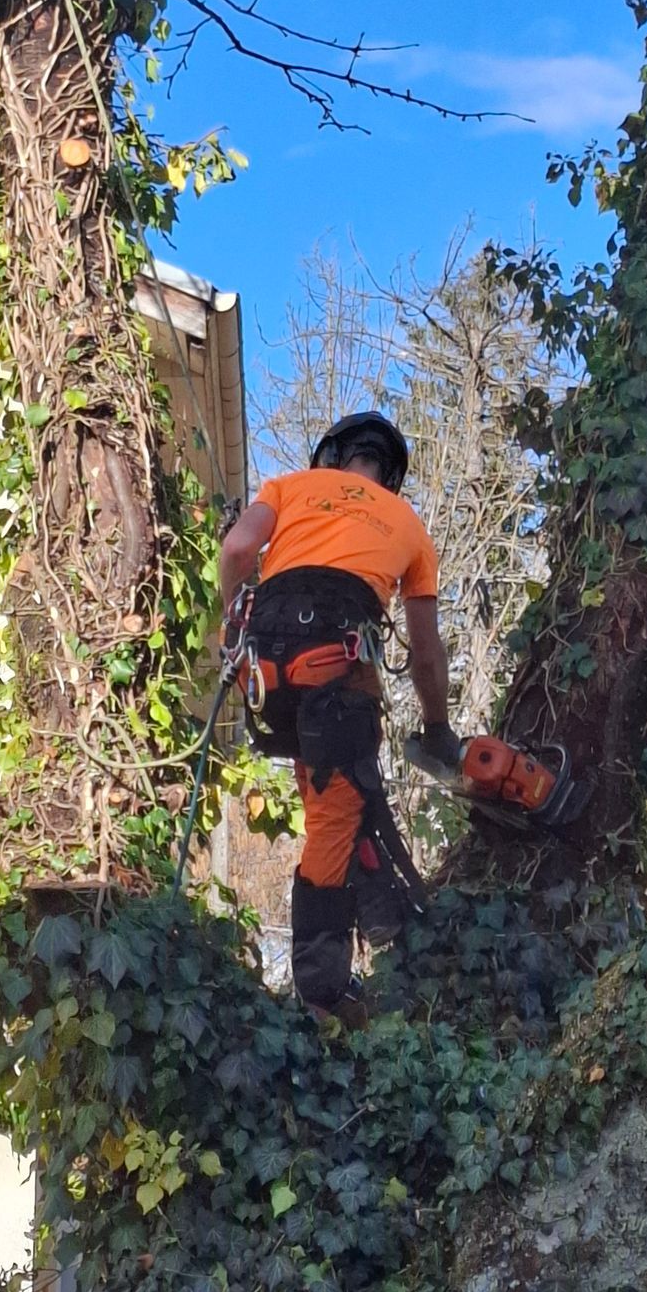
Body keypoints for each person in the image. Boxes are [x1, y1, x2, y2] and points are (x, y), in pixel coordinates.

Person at [219, 411, 456, 1024]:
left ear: (332, 454)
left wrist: (229, 623)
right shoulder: (408, 525)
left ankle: (383, 927)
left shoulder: (290, 486)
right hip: (335, 671)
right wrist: (437, 730)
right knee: (336, 814)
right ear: (391, 476)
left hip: (266, 676)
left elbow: (239, 549)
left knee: (331, 791)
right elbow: (426, 651)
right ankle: (321, 993)